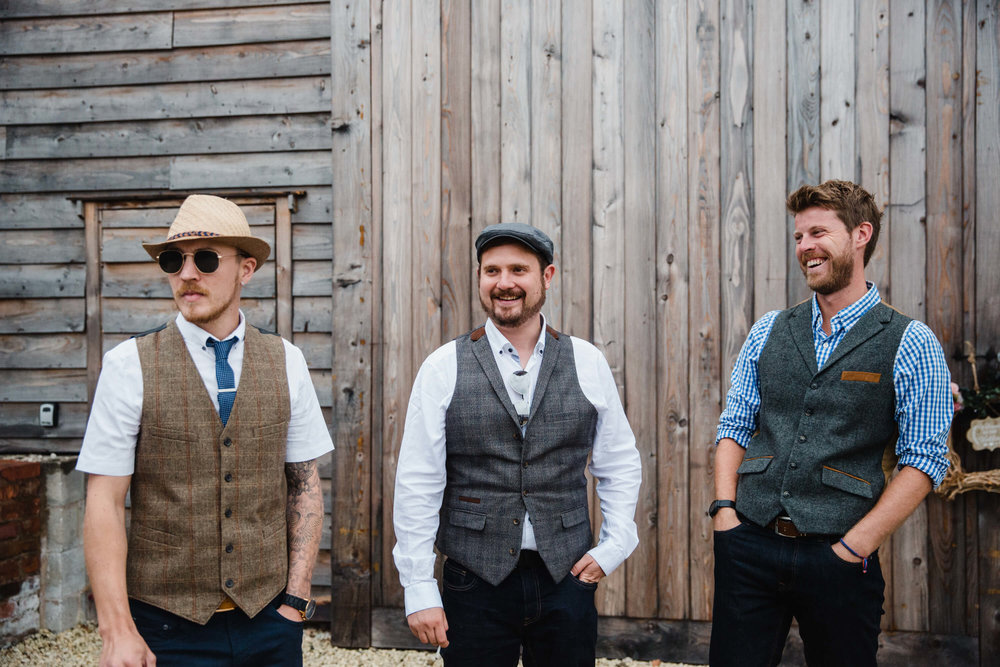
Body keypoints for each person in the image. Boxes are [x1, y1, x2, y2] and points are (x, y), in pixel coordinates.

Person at [77, 195, 333, 667]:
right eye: (174, 261)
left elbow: (305, 486)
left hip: (269, 624)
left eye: (207, 259)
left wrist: (295, 601)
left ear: (246, 269)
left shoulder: (286, 361)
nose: (187, 274)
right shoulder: (128, 365)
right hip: (165, 627)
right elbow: (104, 501)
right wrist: (117, 631)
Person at [709, 180, 953, 666]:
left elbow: (925, 460)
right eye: (799, 237)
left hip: (840, 556)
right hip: (749, 543)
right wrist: (724, 513)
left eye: (818, 233)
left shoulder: (910, 341)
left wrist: (854, 546)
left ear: (861, 235)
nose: (805, 248)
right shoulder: (769, 329)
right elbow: (735, 425)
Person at [392, 223, 642, 666]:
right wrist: (418, 585)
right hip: (473, 581)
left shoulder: (586, 360)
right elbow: (418, 479)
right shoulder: (442, 366)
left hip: (567, 577)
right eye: (492, 271)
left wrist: (615, 544)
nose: (504, 283)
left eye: (518, 270)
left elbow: (618, 461)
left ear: (547, 277)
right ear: (480, 278)